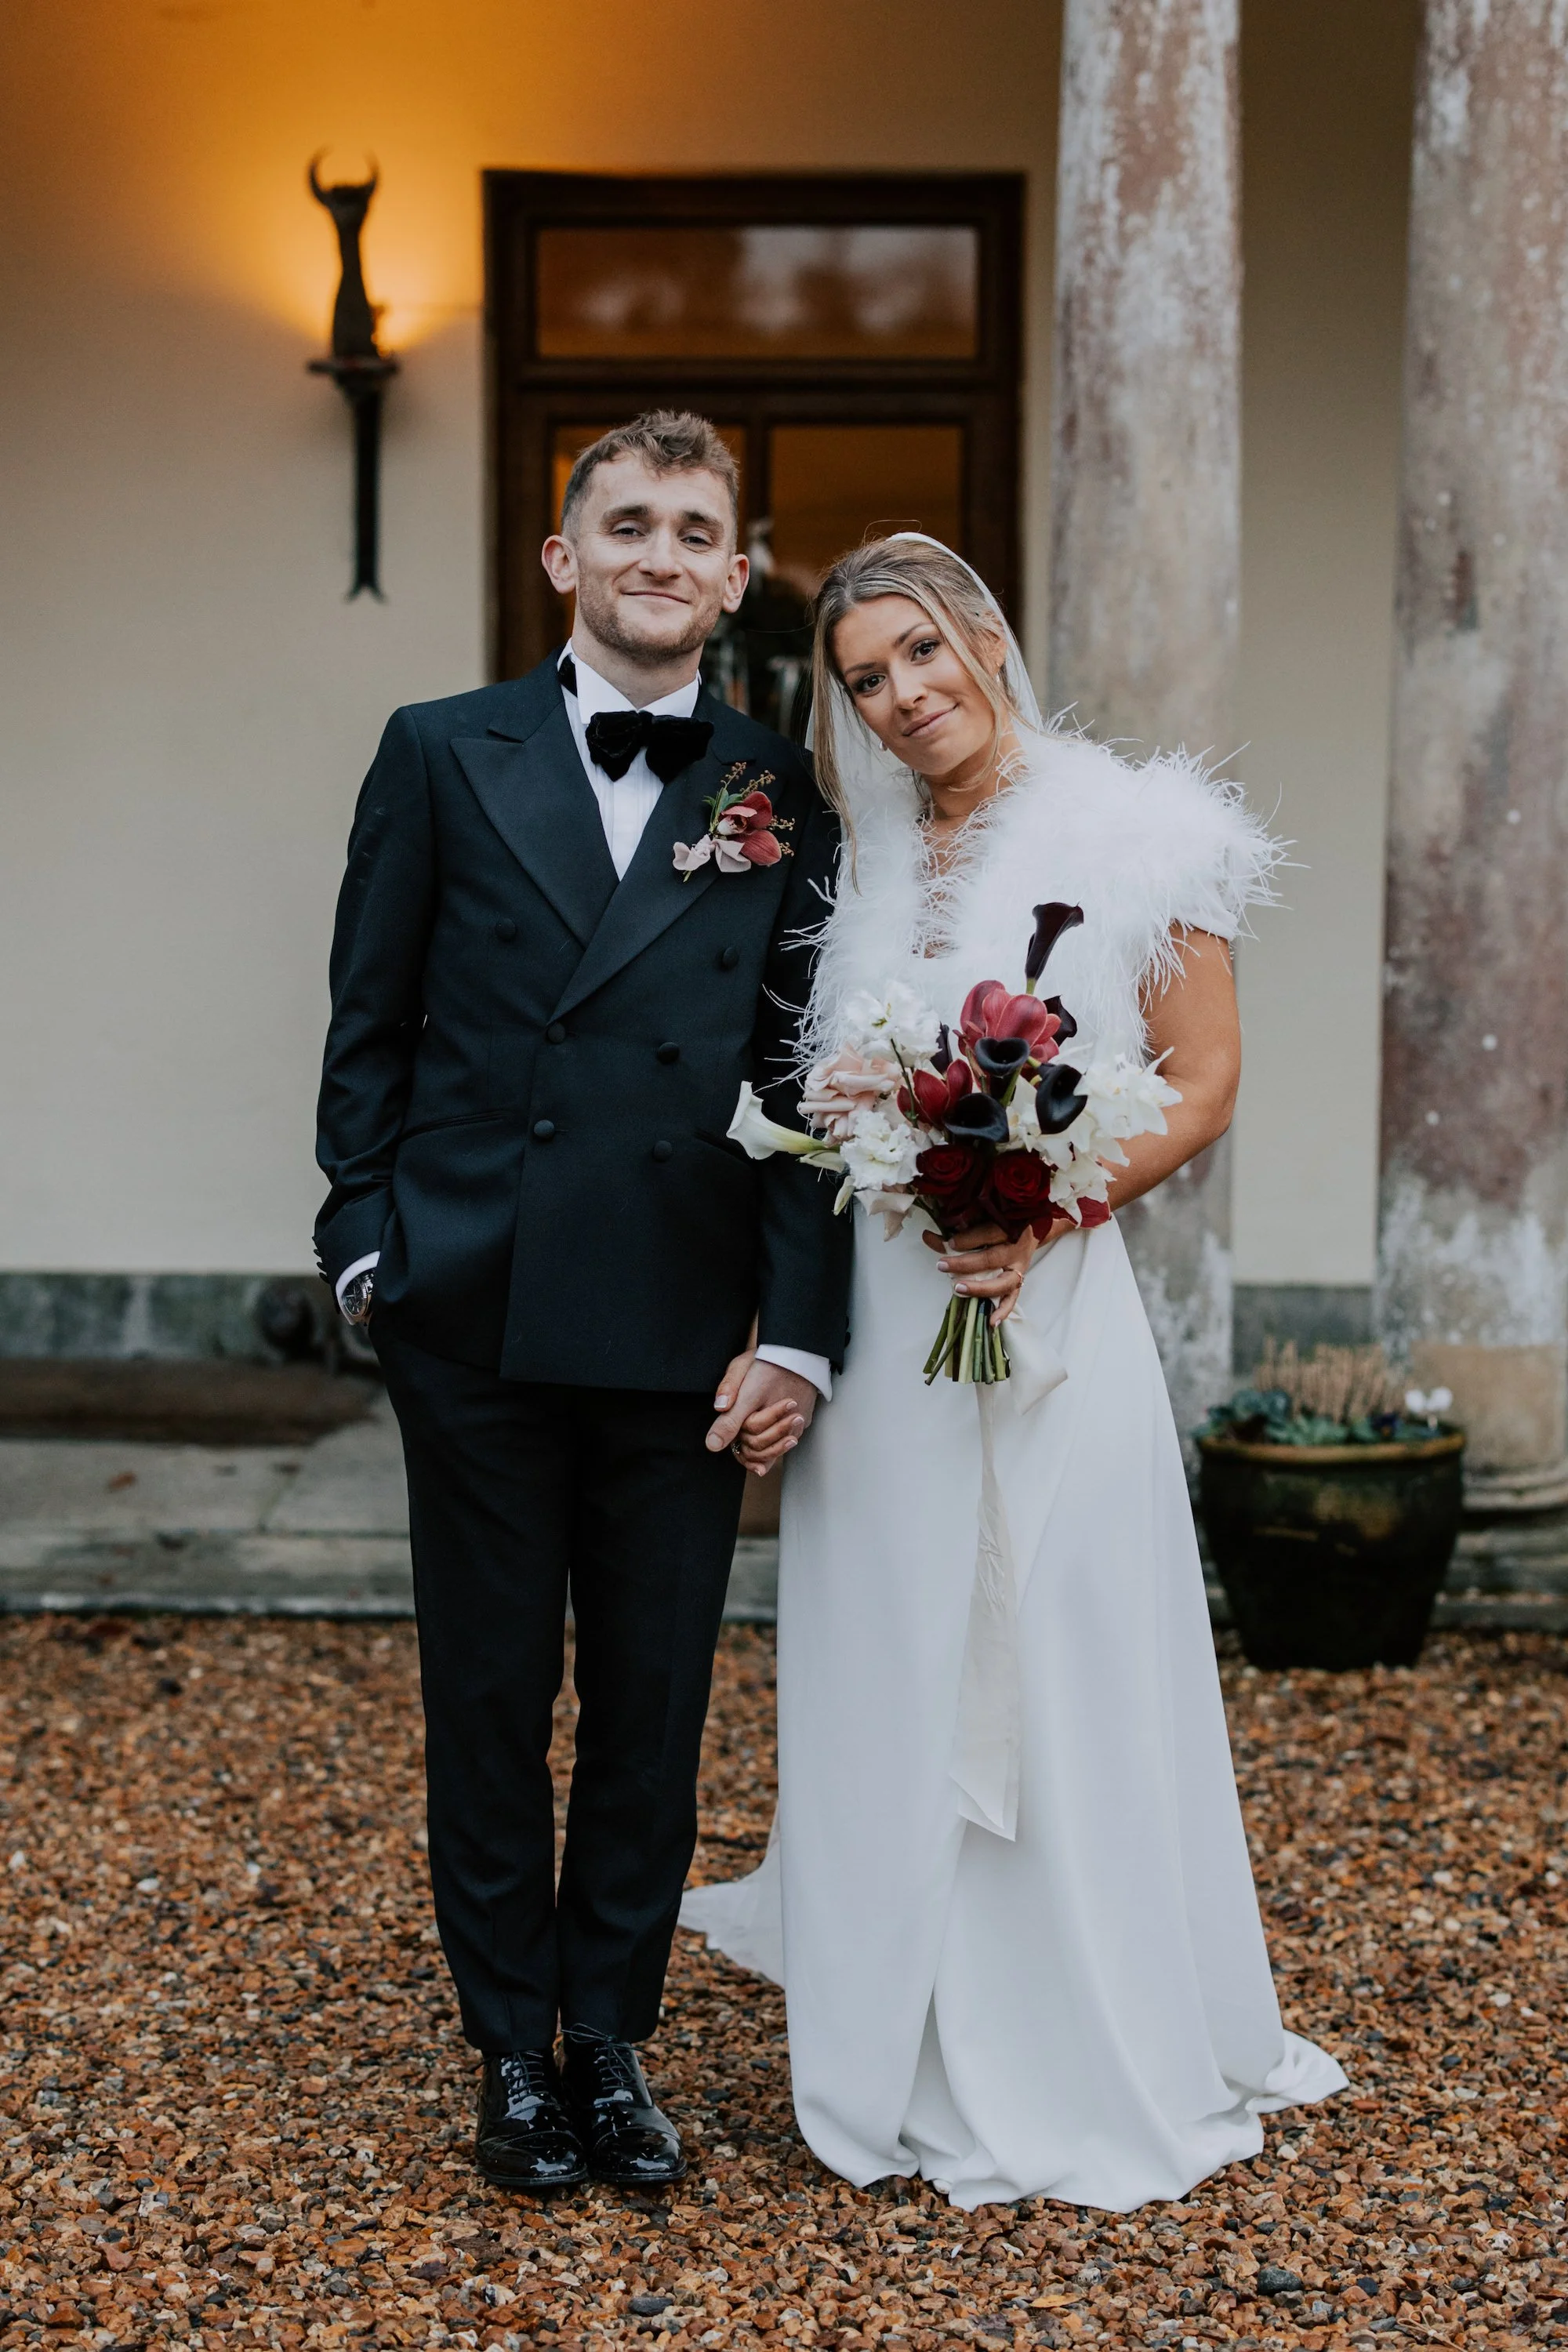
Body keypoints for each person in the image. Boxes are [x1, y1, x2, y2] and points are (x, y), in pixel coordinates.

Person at [681, 535, 1347, 2212]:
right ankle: (898, 2022)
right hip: (893, 1313)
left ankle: (1072, 2025)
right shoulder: (859, 866)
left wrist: (1051, 1205)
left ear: (985, 637)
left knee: (1057, 1639)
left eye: (921, 652)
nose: (902, 696)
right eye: (865, 679)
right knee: (898, 1641)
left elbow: (1202, 1077)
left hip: (1047, 1301)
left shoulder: (1137, 833)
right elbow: (833, 1093)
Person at [314, 412, 852, 2192]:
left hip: (684, 1325)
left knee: (652, 1700)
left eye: (694, 531)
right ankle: (508, 2048)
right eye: (628, 523)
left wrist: (795, 1330)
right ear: (564, 556)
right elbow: (370, 1018)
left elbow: (802, 1073)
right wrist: (366, 1240)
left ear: (735, 575)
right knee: (486, 1694)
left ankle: (608, 2036)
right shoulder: (438, 749)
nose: (658, 555)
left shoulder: (781, 786)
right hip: (472, 1301)